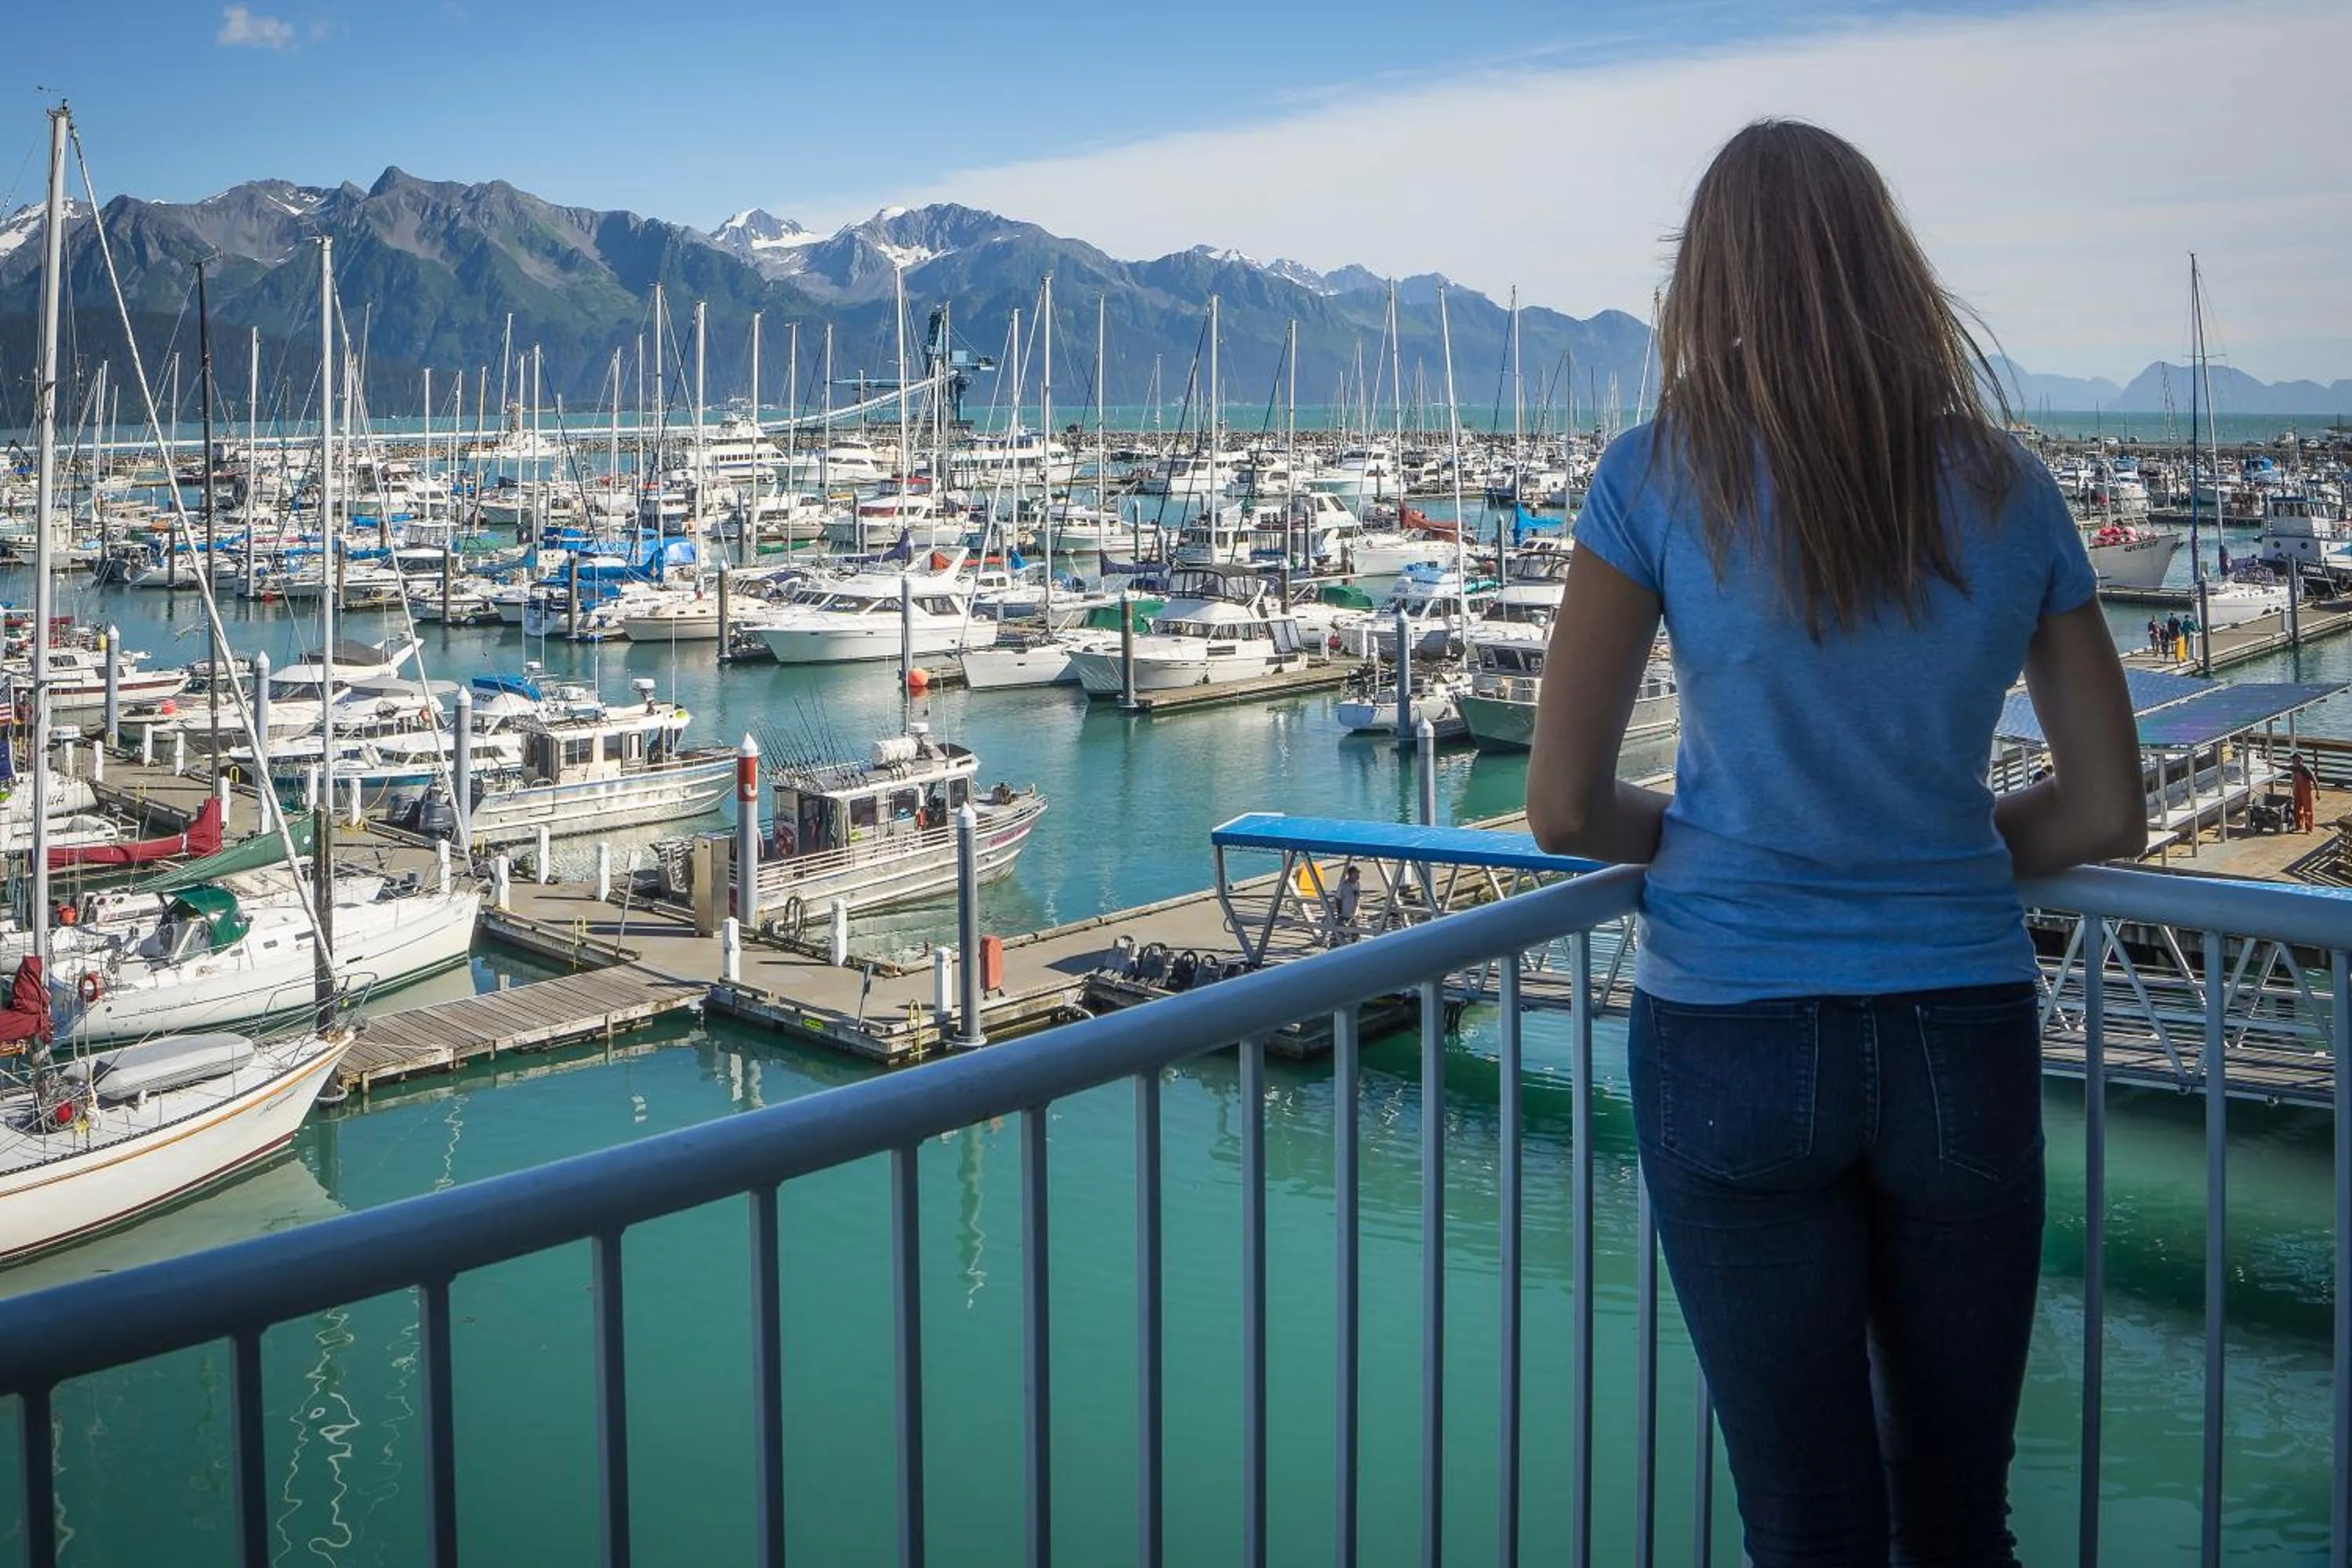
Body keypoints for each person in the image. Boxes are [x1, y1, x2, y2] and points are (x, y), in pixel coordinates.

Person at [1524, 121, 2144, 1567]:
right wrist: (1943, 857)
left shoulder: (1652, 474)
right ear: (1891, 266)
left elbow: (1562, 808)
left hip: (1731, 1029)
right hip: (1961, 1026)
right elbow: (2107, 806)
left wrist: (1687, 844)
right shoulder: (2007, 487)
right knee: (1955, 1510)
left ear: (1712, 275)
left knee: (1808, 1522)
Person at [2293, 751, 2319, 833]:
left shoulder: (2306, 769)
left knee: (2308, 810)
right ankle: (2299, 826)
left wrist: (2318, 792)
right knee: (2297, 808)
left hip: (2306, 790)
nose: (2293, 761)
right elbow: (2285, 768)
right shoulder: (2294, 768)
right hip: (2298, 790)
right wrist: (2273, 764)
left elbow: (2315, 781)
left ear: (2300, 760)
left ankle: (2309, 828)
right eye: (2293, 760)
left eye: (2294, 760)